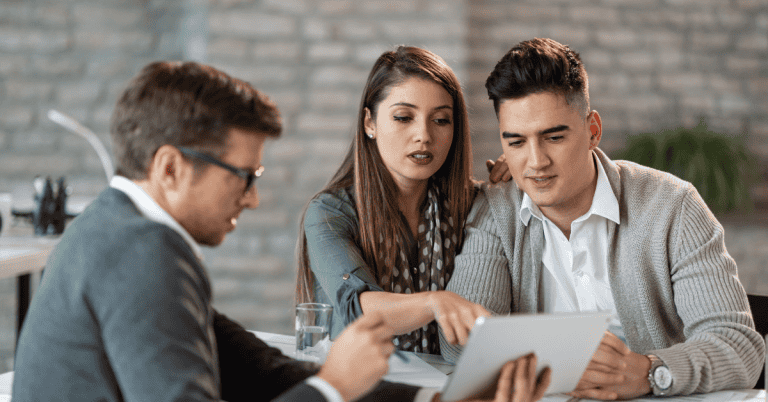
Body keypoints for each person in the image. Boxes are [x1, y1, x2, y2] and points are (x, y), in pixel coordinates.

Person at [12, 61, 549, 402]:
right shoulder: (142, 251)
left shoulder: (115, 232)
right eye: (243, 176)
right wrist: (332, 386)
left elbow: (258, 368)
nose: (253, 196)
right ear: (171, 168)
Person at [439, 38, 766, 399]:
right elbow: (462, 346)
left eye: (554, 137)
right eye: (516, 143)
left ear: (592, 130)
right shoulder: (496, 211)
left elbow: (740, 348)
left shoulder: (672, 206)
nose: (535, 162)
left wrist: (649, 372)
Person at [296, 46, 508, 355]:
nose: (423, 135)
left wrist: (520, 170)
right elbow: (361, 308)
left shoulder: (473, 205)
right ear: (369, 123)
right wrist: (435, 302)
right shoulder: (329, 213)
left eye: (441, 120)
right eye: (403, 117)